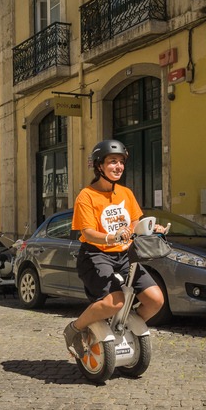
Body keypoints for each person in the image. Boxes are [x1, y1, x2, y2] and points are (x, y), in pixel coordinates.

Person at [63, 140, 166, 358]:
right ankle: (75, 329)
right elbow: (88, 232)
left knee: (156, 300)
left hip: (126, 255)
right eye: (112, 162)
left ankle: (126, 327)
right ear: (99, 166)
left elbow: (136, 224)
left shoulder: (126, 194)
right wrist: (112, 236)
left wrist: (151, 228)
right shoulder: (87, 196)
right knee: (115, 302)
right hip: (96, 255)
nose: (118, 166)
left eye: (121, 162)